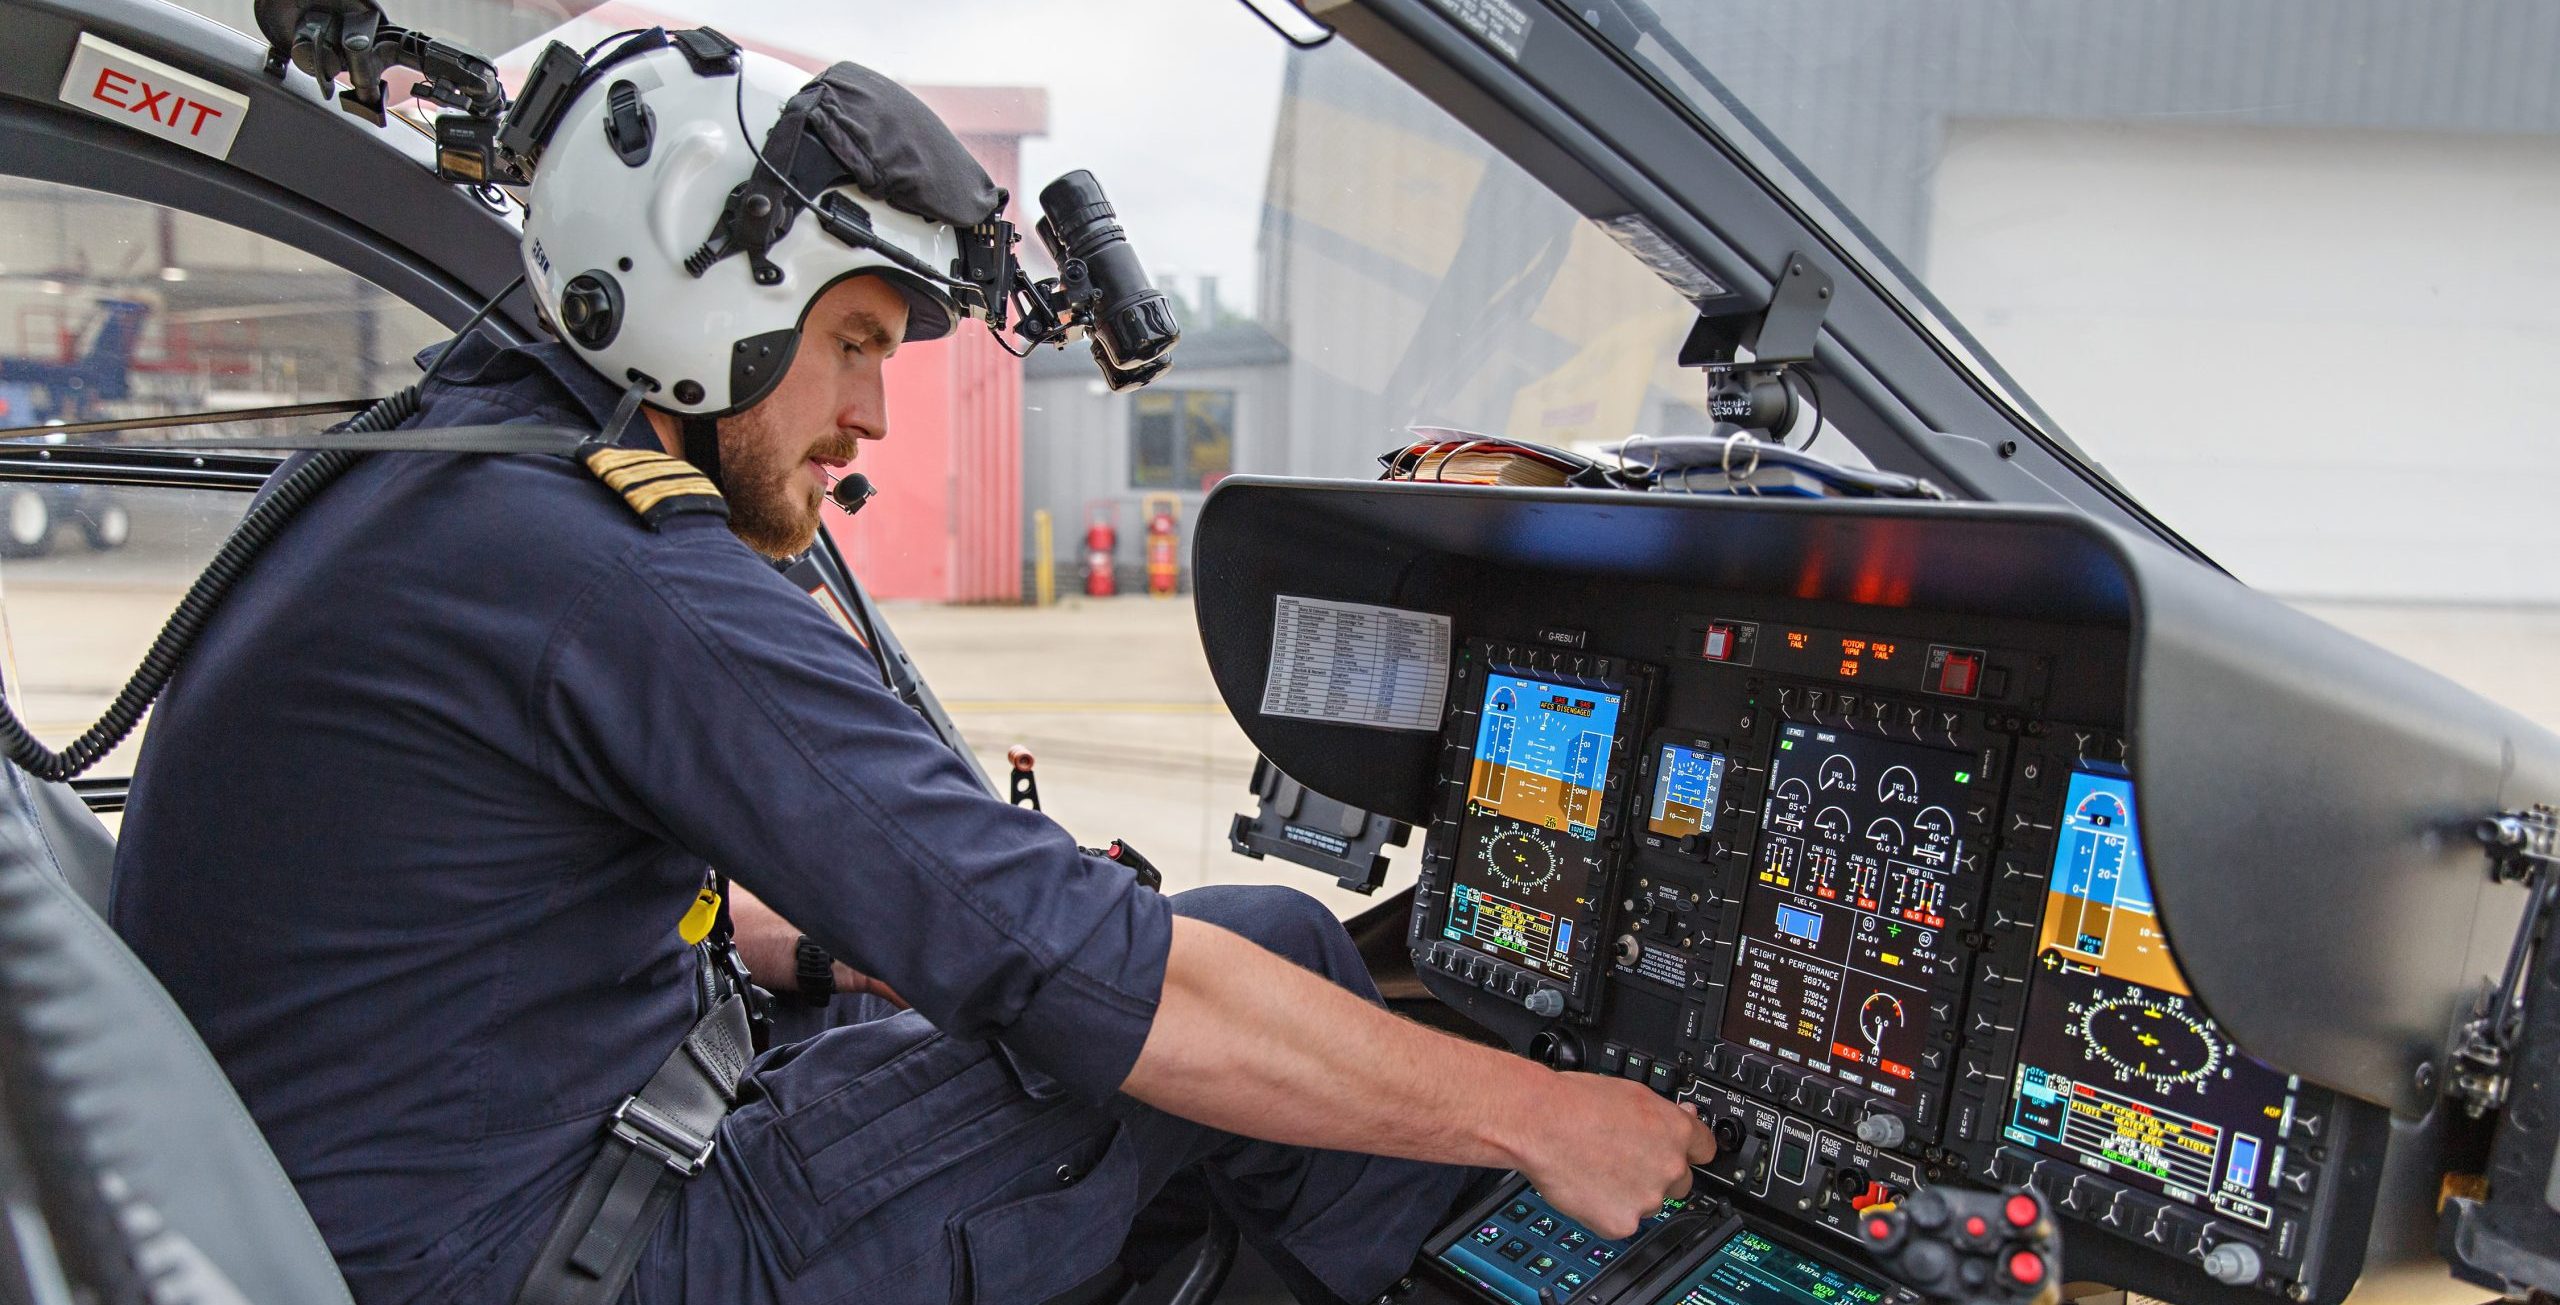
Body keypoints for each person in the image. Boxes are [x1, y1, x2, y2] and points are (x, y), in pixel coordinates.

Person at [109, 30, 1715, 1305]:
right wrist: (1546, 1119)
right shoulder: (603, 564)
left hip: (445, 1206)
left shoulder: (443, 482)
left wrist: (812, 950)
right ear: (709, 288)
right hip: (564, 1257)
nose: (873, 411)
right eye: (859, 340)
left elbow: (462, 908)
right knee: (1243, 977)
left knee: (1265, 939)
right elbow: (1067, 961)